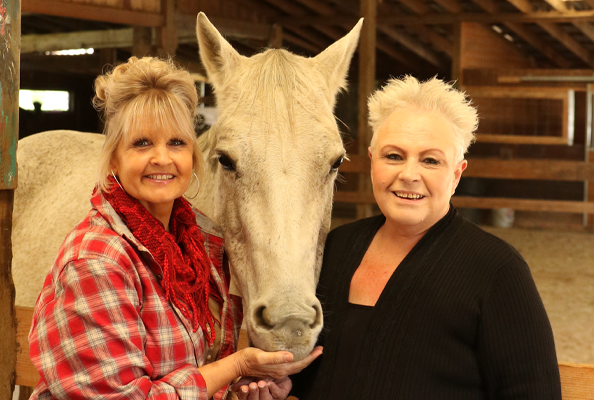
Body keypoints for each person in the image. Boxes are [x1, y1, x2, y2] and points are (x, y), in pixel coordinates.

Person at [28, 57, 321, 400]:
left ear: (194, 156)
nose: (163, 158)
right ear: (113, 159)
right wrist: (236, 367)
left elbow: (189, 371)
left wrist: (238, 391)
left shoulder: (198, 246)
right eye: (142, 143)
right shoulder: (96, 260)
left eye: (177, 143)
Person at [291, 76, 561, 399]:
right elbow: (315, 373)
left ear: (457, 174)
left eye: (430, 160)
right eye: (393, 156)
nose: (409, 175)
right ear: (372, 160)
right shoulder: (335, 249)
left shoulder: (498, 272)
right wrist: (281, 386)